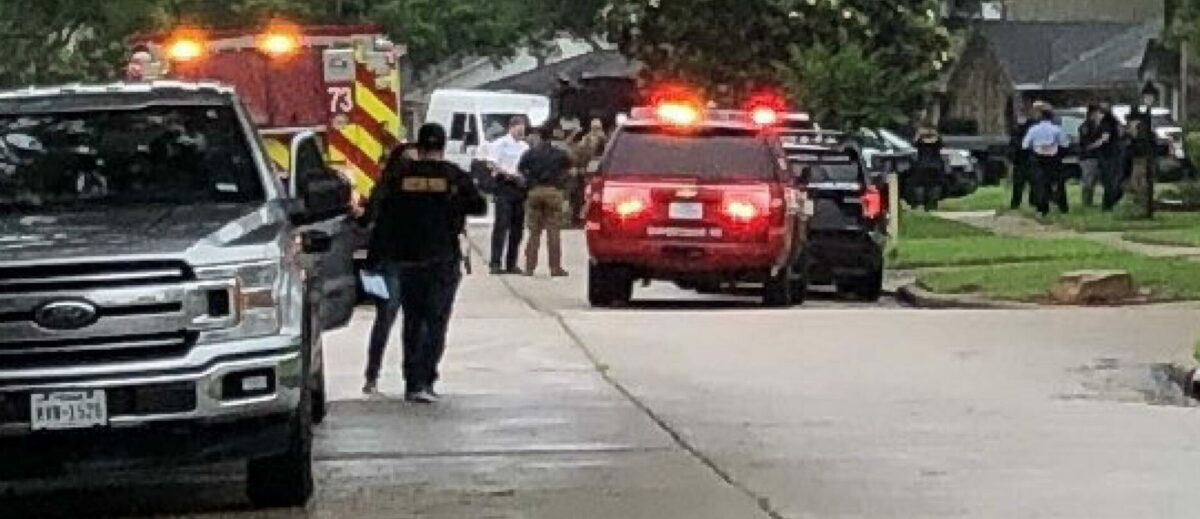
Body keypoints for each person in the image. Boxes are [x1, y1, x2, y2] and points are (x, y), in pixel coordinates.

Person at [359, 124, 486, 402]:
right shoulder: (453, 175)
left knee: (413, 321)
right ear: (442, 146)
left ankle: (412, 382)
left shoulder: (399, 177)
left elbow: (378, 211)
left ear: (419, 146)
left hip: (408, 258)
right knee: (436, 320)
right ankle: (427, 378)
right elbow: (479, 206)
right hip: (443, 258)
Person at [519, 125, 573, 276]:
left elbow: (521, 168)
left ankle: (529, 267)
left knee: (534, 232)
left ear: (539, 137)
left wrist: (529, 181)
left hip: (535, 191)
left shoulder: (530, 153)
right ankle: (555, 268)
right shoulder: (559, 154)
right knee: (553, 231)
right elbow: (569, 167)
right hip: (553, 191)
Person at [487, 116, 531, 274]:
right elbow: (491, 163)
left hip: (519, 188)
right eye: (519, 130)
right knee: (501, 225)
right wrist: (508, 174)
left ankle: (511, 263)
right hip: (504, 185)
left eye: (523, 130)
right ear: (511, 127)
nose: (521, 133)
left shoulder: (525, 146)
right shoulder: (500, 143)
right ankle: (495, 263)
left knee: (517, 228)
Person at [1022, 106, 1070, 217]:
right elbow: (1065, 144)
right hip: (1053, 160)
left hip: (1037, 159)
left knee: (1039, 183)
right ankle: (1062, 206)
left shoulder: (1033, 129)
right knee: (1058, 183)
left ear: (1040, 117)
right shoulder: (1057, 129)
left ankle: (1042, 208)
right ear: (1051, 117)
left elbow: (1025, 145)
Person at [1127, 83, 1159, 217]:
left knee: (1144, 180)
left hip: (1145, 153)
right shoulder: (1139, 119)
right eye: (1147, 97)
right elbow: (1133, 134)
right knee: (1139, 180)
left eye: (1151, 97)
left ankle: (1145, 206)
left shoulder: (1146, 117)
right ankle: (1142, 205)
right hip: (1138, 153)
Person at [1009, 102, 1043, 210]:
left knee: (1035, 183)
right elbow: (1012, 143)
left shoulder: (1032, 125)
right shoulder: (1016, 127)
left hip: (1031, 159)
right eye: (1020, 113)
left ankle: (1034, 203)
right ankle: (1015, 204)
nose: (1021, 115)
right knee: (1018, 184)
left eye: (1023, 112)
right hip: (1019, 160)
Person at [1096, 103, 1124, 210]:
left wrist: (1093, 145)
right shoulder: (1115, 121)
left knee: (1108, 180)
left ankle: (1108, 203)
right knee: (1114, 179)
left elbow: (1105, 138)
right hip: (1116, 153)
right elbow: (1121, 133)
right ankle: (1109, 201)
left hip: (1107, 155)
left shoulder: (1105, 122)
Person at [1078, 104, 1107, 208]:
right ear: (1093, 113)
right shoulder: (1085, 126)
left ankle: (1090, 202)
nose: (1100, 115)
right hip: (1088, 157)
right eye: (1098, 113)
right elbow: (1086, 145)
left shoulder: (1097, 126)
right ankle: (1086, 203)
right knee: (1088, 180)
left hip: (1096, 157)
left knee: (1094, 181)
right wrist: (1101, 141)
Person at [910, 126, 945, 211]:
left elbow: (913, 143)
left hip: (922, 166)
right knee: (935, 185)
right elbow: (942, 143)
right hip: (936, 166)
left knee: (920, 184)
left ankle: (920, 203)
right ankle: (933, 203)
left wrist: (918, 133)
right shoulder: (937, 142)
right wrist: (935, 133)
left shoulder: (920, 142)